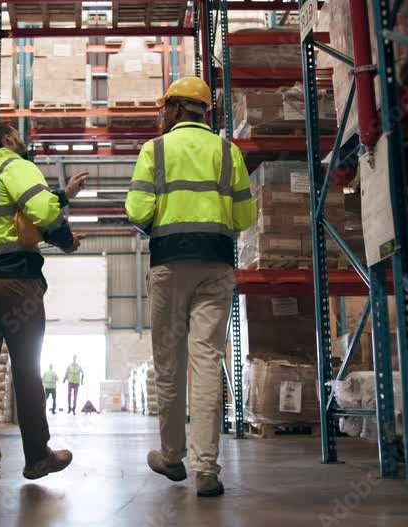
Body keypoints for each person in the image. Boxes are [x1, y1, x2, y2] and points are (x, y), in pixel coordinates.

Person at [124, 77, 256, 498]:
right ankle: (206, 470)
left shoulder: (155, 150)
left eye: (165, 108)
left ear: (178, 109)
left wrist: (162, 220)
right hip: (215, 265)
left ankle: (171, 454)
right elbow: (244, 217)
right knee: (206, 363)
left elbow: (136, 209)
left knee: (169, 363)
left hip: (169, 265)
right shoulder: (228, 151)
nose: (161, 115)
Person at [0, 122, 88, 493]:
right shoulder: (15, 165)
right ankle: (36, 458)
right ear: (8, 139)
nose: (22, 139)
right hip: (15, 284)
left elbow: (15, 213)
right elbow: (43, 215)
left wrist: (62, 194)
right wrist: (65, 242)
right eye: (17, 133)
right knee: (27, 369)